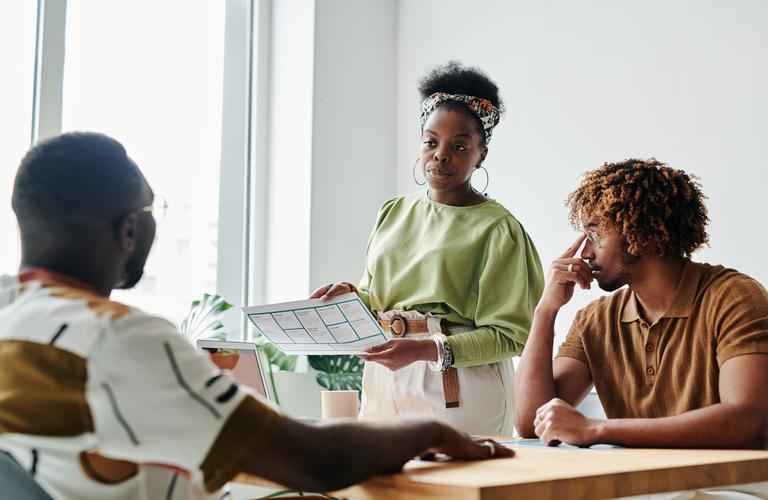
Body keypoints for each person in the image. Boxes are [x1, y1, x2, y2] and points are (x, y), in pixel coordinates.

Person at [0, 132, 512, 500]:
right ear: (129, 231)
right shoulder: (124, 339)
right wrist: (429, 431)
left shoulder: (11, 314)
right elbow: (313, 460)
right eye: (153, 212)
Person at [514, 159, 768, 499]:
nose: (584, 252)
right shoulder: (596, 320)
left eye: (594, 234)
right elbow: (533, 423)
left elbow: (749, 426)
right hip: (651, 485)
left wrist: (595, 428)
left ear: (640, 233)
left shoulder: (735, 297)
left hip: (747, 482)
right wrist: (546, 311)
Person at [312, 62, 544, 435]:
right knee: (382, 492)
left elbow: (510, 335)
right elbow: (379, 295)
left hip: (458, 388)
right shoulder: (394, 212)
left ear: (480, 154)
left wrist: (426, 350)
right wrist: (352, 294)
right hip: (384, 376)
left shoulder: (499, 229)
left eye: (459, 146)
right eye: (430, 142)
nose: (440, 154)